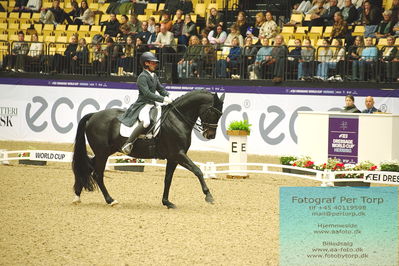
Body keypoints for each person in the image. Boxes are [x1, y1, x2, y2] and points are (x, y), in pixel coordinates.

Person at [119, 51, 172, 154]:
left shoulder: (154, 76)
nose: (155, 65)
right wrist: (163, 99)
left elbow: (160, 89)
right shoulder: (142, 77)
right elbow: (147, 93)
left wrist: (167, 95)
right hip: (143, 105)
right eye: (153, 63)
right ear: (146, 63)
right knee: (146, 122)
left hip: (153, 104)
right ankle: (128, 143)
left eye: (156, 63)